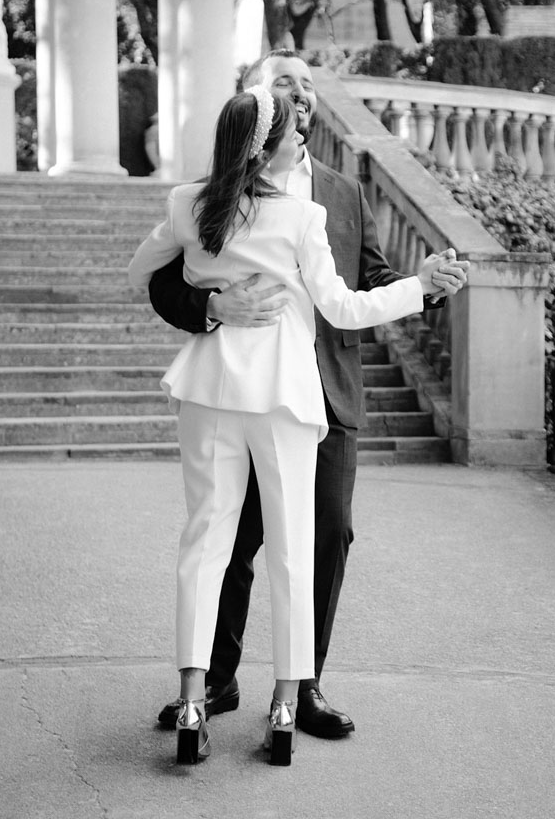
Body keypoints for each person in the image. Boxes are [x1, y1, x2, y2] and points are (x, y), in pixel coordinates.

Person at [128, 87, 467, 766]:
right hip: (282, 393)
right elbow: (341, 309)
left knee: (204, 542)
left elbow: (140, 271)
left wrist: (213, 297)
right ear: (268, 145)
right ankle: (283, 708)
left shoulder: (187, 205)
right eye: (289, 126)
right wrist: (420, 286)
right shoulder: (300, 216)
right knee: (289, 547)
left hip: (207, 384)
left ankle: (193, 699)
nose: (301, 129)